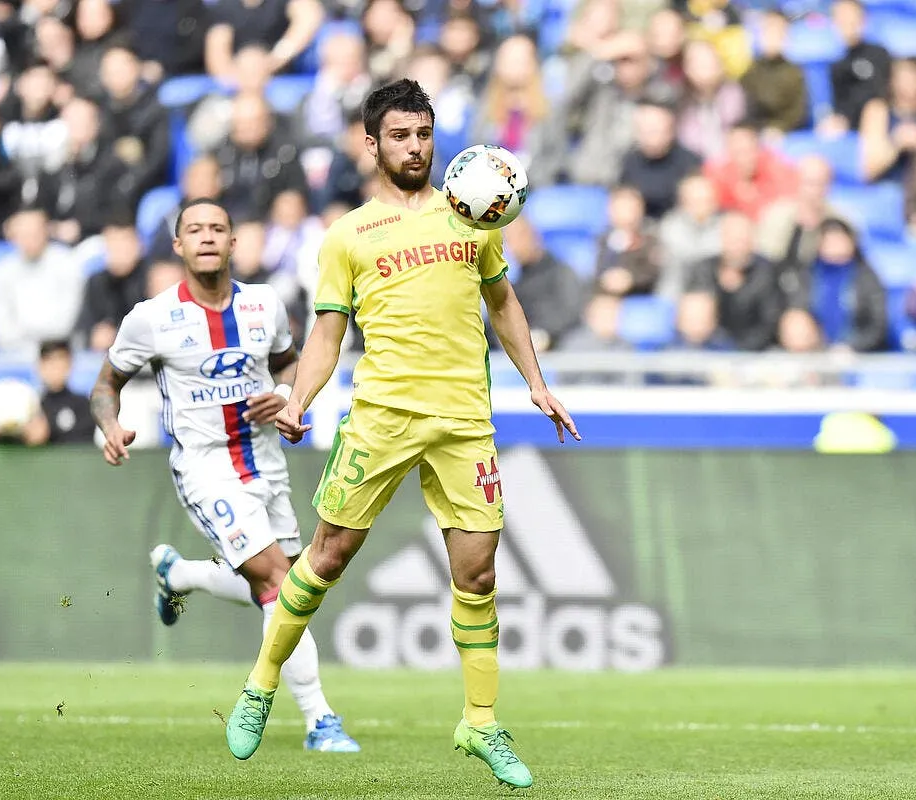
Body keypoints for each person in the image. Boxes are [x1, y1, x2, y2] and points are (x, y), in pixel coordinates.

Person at [223, 79, 579, 788]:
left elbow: (502, 301)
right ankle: (260, 686)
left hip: (463, 420)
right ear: (371, 143)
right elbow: (328, 334)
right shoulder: (347, 235)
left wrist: (535, 382)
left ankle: (480, 723)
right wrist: (298, 400)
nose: (415, 147)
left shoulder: (474, 213)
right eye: (400, 136)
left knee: (477, 574)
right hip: (382, 414)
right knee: (325, 558)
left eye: (423, 134)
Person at [88, 197, 359, 753]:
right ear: (178, 246)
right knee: (281, 582)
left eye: (218, 228)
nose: (207, 236)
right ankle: (319, 720)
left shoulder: (265, 304)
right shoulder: (152, 317)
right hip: (204, 466)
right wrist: (111, 426)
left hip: (266, 463)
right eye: (195, 229)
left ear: (234, 242)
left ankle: (180, 574)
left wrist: (286, 396)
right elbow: (104, 385)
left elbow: (288, 364)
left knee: (280, 586)